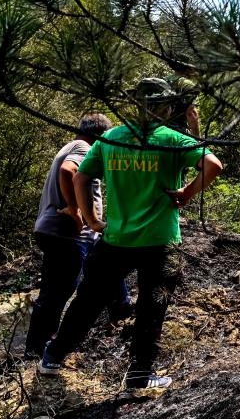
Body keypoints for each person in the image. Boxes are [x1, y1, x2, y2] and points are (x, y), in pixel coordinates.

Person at [38, 77, 223, 389]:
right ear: (165, 106)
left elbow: (80, 177)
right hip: (161, 240)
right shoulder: (171, 139)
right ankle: (139, 375)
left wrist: (93, 221)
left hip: (116, 239)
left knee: (88, 300)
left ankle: (53, 357)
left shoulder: (111, 138)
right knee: (153, 306)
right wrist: (186, 194)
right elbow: (213, 164)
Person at [24, 113, 131, 357]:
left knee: (106, 262)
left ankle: (122, 307)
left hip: (55, 230)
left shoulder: (70, 145)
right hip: (67, 233)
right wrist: (75, 211)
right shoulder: (83, 148)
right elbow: (68, 170)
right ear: (102, 136)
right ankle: (37, 350)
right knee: (58, 291)